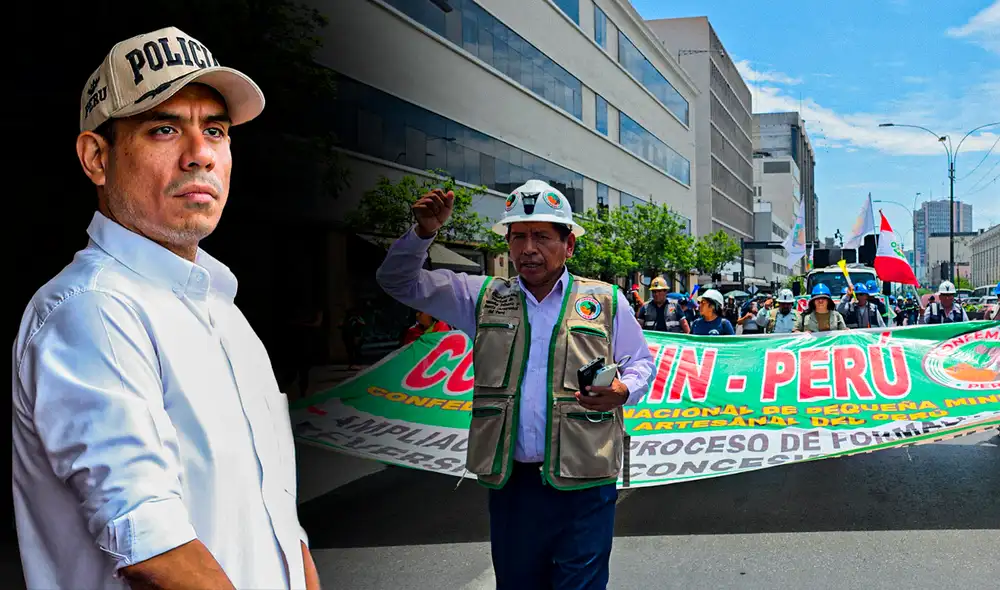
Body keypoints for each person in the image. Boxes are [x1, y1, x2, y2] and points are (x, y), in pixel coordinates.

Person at [11, 27, 318, 590]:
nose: (200, 154)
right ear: (96, 157)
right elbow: (153, 548)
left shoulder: (224, 312)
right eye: (163, 128)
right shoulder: (95, 309)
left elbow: (280, 522)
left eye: (216, 130)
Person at [376, 180, 654, 588]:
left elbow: (640, 363)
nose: (528, 249)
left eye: (542, 236)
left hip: (587, 484)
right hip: (513, 486)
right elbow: (398, 282)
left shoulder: (606, 301)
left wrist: (622, 391)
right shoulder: (480, 297)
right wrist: (423, 234)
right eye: (518, 237)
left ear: (569, 245)